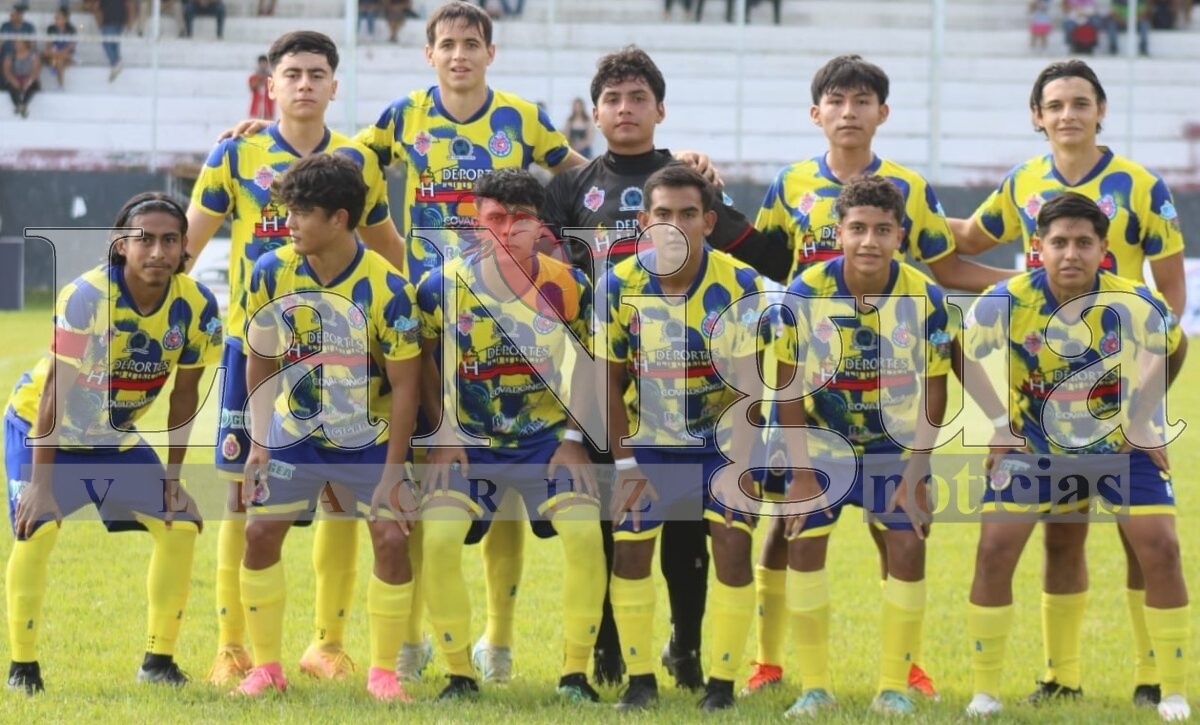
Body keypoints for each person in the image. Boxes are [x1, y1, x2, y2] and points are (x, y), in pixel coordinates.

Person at [744, 53, 1011, 700]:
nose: (849, 112)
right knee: (788, 524)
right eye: (837, 101)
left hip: (891, 388)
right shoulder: (789, 186)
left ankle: (903, 668)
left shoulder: (910, 190)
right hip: (813, 390)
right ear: (817, 112)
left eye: (861, 101)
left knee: (896, 527)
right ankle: (771, 661)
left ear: (881, 113)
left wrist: (1027, 281)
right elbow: (761, 258)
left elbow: (945, 278)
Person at [539, 44, 790, 690]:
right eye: (613, 99)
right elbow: (537, 273)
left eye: (638, 98)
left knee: (687, 538)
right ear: (595, 112)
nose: (625, 109)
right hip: (605, 373)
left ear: (660, 109)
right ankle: (610, 649)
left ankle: (688, 646)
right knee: (613, 526)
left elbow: (768, 258)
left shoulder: (686, 180)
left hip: (692, 387)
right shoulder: (570, 187)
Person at [949, 58, 1186, 709]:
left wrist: (1145, 407)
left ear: (1101, 110)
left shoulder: (1142, 186)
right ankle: (1061, 675)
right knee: (1060, 537)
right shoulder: (1022, 182)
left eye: (1081, 102)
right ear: (1037, 116)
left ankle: (1153, 677)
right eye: (1054, 104)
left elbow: (1172, 305)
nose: (1068, 114)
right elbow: (965, 239)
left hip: (1120, 390)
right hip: (1041, 397)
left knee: (1144, 542)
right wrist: (901, 208)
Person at [185, 30, 407, 688]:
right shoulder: (236, 152)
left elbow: (387, 248)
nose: (304, 83)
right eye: (292, 73)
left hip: (341, 350)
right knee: (243, 494)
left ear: (335, 85)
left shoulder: (359, 161)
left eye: (316, 73)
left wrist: (415, 312)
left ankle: (327, 644)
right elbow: (187, 246)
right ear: (271, 84)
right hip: (252, 344)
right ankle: (233, 646)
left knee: (340, 493)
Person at [6, 193, 220, 694]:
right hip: (43, 430)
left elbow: (184, 396)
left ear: (184, 246)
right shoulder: (87, 297)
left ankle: (158, 663)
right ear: (120, 244)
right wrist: (41, 485)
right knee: (36, 529)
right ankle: (23, 669)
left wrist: (173, 482)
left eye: (170, 240)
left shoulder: (196, 306)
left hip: (112, 439)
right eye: (144, 239)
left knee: (179, 526)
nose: (158, 251)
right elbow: (54, 392)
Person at [231, 153, 423, 701]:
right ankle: (267, 668)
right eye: (288, 210)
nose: (288, 222)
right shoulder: (271, 271)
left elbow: (406, 386)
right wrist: (260, 441)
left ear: (339, 219)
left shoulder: (388, 288)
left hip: (368, 440)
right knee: (258, 533)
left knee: (391, 538)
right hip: (294, 435)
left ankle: (384, 675)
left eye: (302, 212)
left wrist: (393, 473)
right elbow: (260, 359)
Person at [415, 169, 605, 702]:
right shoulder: (440, 287)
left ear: (539, 225)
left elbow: (590, 365)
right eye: (496, 218)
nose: (507, 230)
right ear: (478, 223)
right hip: (470, 444)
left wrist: (573, 438)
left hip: (546, 443)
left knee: (586, 536)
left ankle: (574, 676)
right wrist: (442, 431)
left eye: (520, 219)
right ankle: (459, 675)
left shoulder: (571, 286)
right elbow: (421, 362)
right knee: (439, 539)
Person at [773, 174, 948, 718]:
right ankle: (815, 687)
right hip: (822, 448)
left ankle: (894, 686)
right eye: (858, 229)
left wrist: (918, 470)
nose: (869, 241)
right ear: (840, 232)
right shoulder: (805, 294)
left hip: (892, 451)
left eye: (882, 230)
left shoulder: (925, 297)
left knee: (909, 545)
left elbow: (936, 389)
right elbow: (786, 387)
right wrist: (802, 474)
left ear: (900, 235)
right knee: (803, 542)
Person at [601, 165, 766, 712]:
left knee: (734, 547)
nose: (675, 224)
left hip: (720, 446)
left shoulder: (741, 286)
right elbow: (607, 383)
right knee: (630, 553)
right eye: (664, 213)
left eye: (688, 214)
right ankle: (640, 682)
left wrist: (740, 469)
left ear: (708, 221)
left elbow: (749, 389)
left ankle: (722, 686)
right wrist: (626, 468)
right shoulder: (617, 285)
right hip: (648, 445)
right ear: (644, 221)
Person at [3, 38, 38, 118]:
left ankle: (24, 104)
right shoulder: (10, 56)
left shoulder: (33, 56)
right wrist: (13, 80)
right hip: (15, 78)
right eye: (15, 43)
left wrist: (29, 81)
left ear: (25, 44)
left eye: (19, 43)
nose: (16, 45)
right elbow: (6, 70)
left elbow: (35, 71)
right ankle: (19, 104)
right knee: (11, 86)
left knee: (33, 85)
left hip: (28, 78)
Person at [43, 7, 76, 87]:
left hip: (66, 53)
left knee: (60, 60)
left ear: (65, 19)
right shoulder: (50, 28)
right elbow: (48, 44)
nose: (56, 19)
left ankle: (60, 84)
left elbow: (71, 46)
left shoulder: (71, 29)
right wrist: (55, 51)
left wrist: (60, 52)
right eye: (56, 17)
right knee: (47, 53)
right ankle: (54, 63)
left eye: (59, 17)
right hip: (54, 51)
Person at [247, 55, 273, 120]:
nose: (263, 66)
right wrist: (260, 77)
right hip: (256, 109)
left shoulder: (271, 78)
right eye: (261, 64)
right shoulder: (253, 77)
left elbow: (273, 89)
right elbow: (252, 87)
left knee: (268, 124)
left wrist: (266, 77)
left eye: (264, 63)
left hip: (268, 109)